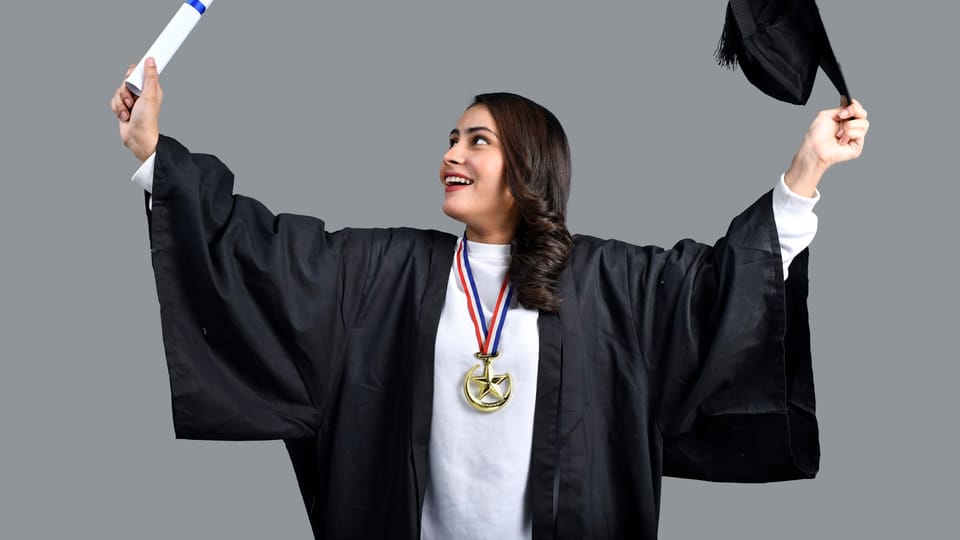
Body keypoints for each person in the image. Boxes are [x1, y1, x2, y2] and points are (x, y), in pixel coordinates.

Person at [111, 58, 868, 539]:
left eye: (477, 140)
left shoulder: (608, 283)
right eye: (451, 137)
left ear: (528, 165)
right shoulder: (383, 268)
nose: (451, 153)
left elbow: (717, 294)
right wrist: (154, 157)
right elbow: (261, 256)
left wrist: (806, 170)